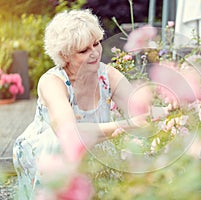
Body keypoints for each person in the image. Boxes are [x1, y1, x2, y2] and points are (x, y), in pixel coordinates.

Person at [13, 9, 152, 199]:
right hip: (49, 152)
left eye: (96, 43)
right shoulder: (53, 82)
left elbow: (139, 109)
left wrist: (171, 110)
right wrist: (129, 125)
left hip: (96, 141)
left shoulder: (108, 75)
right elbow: (68, 133)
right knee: (59, 148)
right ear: (65, 55)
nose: (94, 53)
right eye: (84, 50)